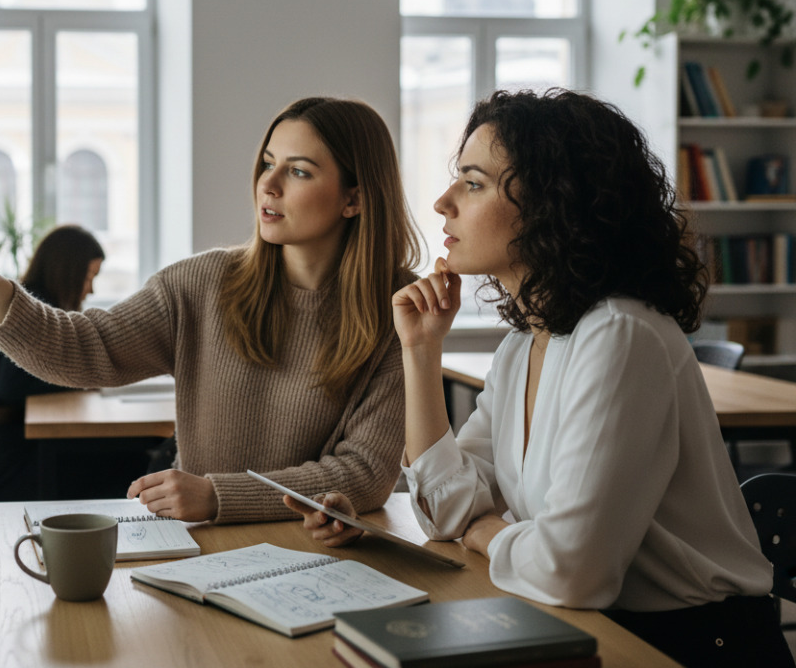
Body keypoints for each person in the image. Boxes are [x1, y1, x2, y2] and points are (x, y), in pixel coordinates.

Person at [287, 89, 792, 667]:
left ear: (552, 204)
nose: (442, 202)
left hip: (696, 648)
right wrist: (421, 351)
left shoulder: (620, 335)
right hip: (593, 628)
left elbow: (572, 571)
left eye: (473, 184)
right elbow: (446, 511)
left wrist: (484, 532)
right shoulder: (524, 343)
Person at [0, 96, 421, 524]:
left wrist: (219, 495)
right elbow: (85, 349)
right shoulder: (202, 284)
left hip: (321, 559)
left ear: (354, 198)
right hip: (204, 549)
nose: (269, 183)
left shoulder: (397, 311)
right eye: (267, 163)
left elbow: (366, 473)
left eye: (299, 171)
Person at [0, 224, 106, 502]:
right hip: (10, 463)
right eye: (89, 276)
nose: (90, 289)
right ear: (68, 271)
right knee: (134, 458)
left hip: (1, 451)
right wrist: (80, 380)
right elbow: (12, 387)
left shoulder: (26, 301)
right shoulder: (30, 310)